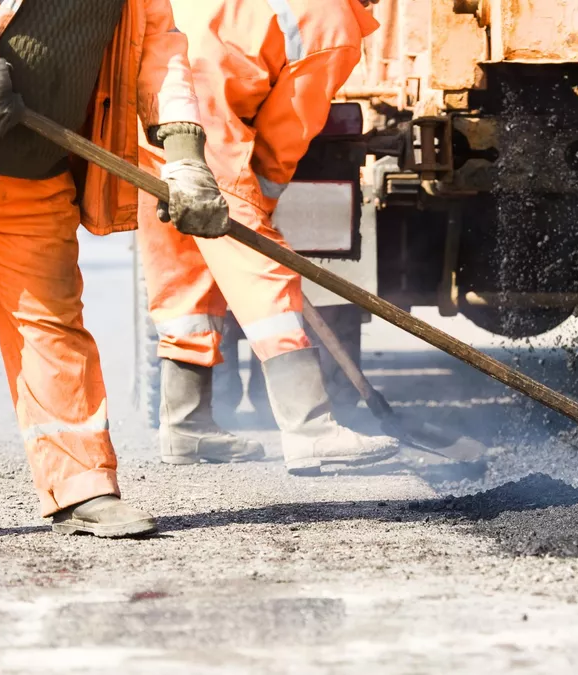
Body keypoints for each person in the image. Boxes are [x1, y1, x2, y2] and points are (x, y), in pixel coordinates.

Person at [0, 0, 228, 543]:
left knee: (52, 324)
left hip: (35, 166)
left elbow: (158, 48)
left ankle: (83, 486)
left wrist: (185, 152)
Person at [137, 0, 397, 474]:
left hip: (153, 118)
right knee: (266, 280)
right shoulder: (332, 23)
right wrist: (257, 206)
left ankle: (187, 425)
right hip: (207, 134)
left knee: (184, 278)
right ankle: (311, 430)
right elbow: (285, 134)